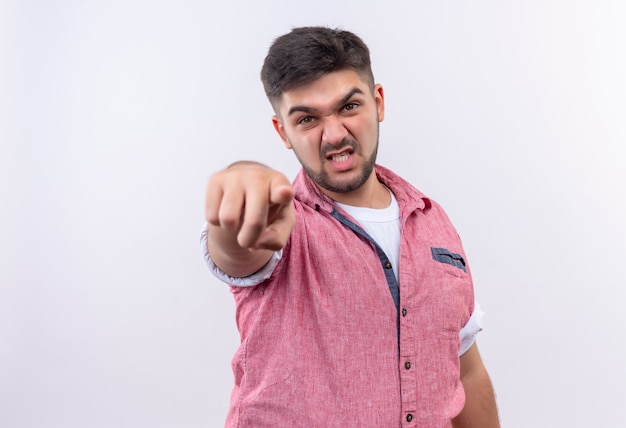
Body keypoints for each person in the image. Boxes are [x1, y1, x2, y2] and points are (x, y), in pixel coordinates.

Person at [201, 26, 500, 427]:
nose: (335, 135)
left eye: (348, 107)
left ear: (377, 102)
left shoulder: (433, 222)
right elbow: (236, 249)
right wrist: (240, 189)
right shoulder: (282, 223)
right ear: (282, 132)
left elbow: (465, 369)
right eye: (307, 118)